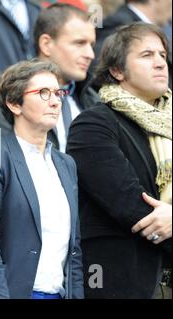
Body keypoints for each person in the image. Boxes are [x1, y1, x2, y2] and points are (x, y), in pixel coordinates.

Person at [67, 23, 172, 298]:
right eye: (147, 55)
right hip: (121, 281)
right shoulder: (93, 124)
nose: (161, 63)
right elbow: (132, 207)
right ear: (117, 70)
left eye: (163, 55)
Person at [0, 59, 84, 299]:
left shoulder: (66, 165)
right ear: (15, 104)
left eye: (58, 93)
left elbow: (74, 247)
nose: (56, 101)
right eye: (43, 93)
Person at [0, 3, 99, 149]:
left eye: (91, 45)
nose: (90, 55)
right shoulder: (3, 98)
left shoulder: (95, 101)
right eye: (79, 43)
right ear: (46, 44)